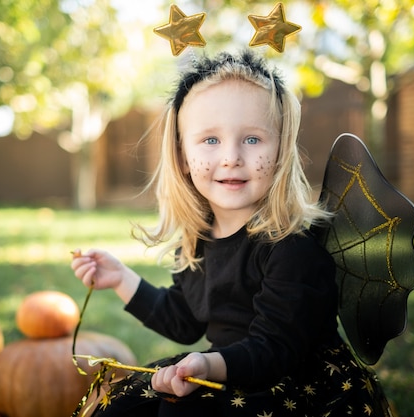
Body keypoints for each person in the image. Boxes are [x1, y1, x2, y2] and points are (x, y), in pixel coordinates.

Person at [71, 50, 393, 417]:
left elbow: (274, 348)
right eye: (210, 140)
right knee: (121, 407)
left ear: (282, 150)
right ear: (182, 156)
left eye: (253, 139)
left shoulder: (292, 249)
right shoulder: (198, 239)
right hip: (230, 368)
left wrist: (207, 366)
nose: (231, 157)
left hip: (297, 385)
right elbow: (185, 320)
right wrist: (121, 278)